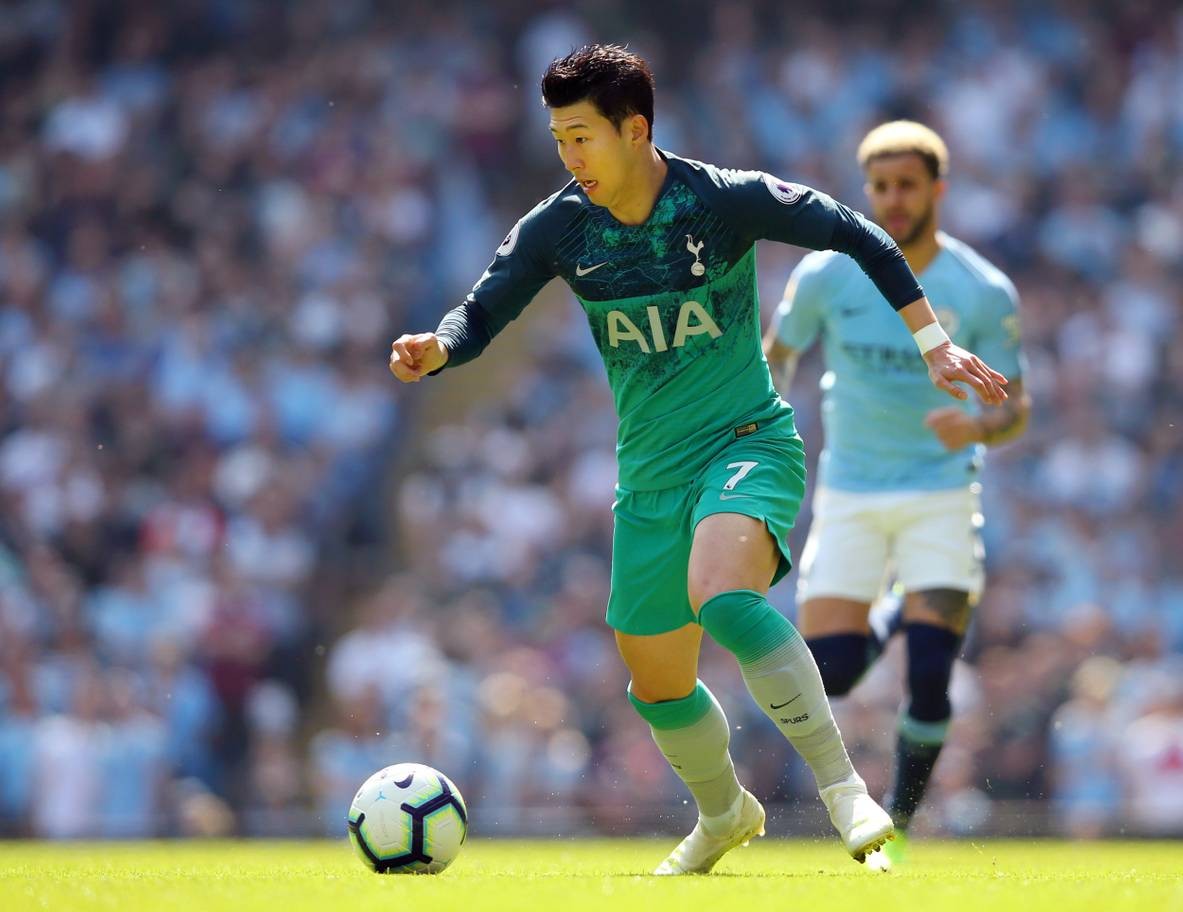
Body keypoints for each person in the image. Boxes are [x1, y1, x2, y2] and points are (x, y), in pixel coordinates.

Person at [389, 48, 1008, 875]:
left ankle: (841, 790)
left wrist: (929, 341)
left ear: (633, 129)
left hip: (745, 443)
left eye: (581, 137)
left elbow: (854, 232)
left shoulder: (720, 201)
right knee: (654, 681)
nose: (569, 158)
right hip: (648, 479)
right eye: (558, 138)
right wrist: (438, 348)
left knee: (722, 595)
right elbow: (480, 312)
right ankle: (723, 815)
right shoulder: (560, 227)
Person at [764, 120, 1029, 868]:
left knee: (929, 678)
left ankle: (899, 823)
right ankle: (892, 609)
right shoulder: (825, 274)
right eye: (879, 186)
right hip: (847, 492)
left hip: (941, 495)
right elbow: (775, 357)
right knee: (834, 675)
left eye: (907, 186)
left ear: (937, 189)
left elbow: (1015, 408)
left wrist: (976, 429)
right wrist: (759, 424)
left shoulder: (980, 289)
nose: (892, 200)